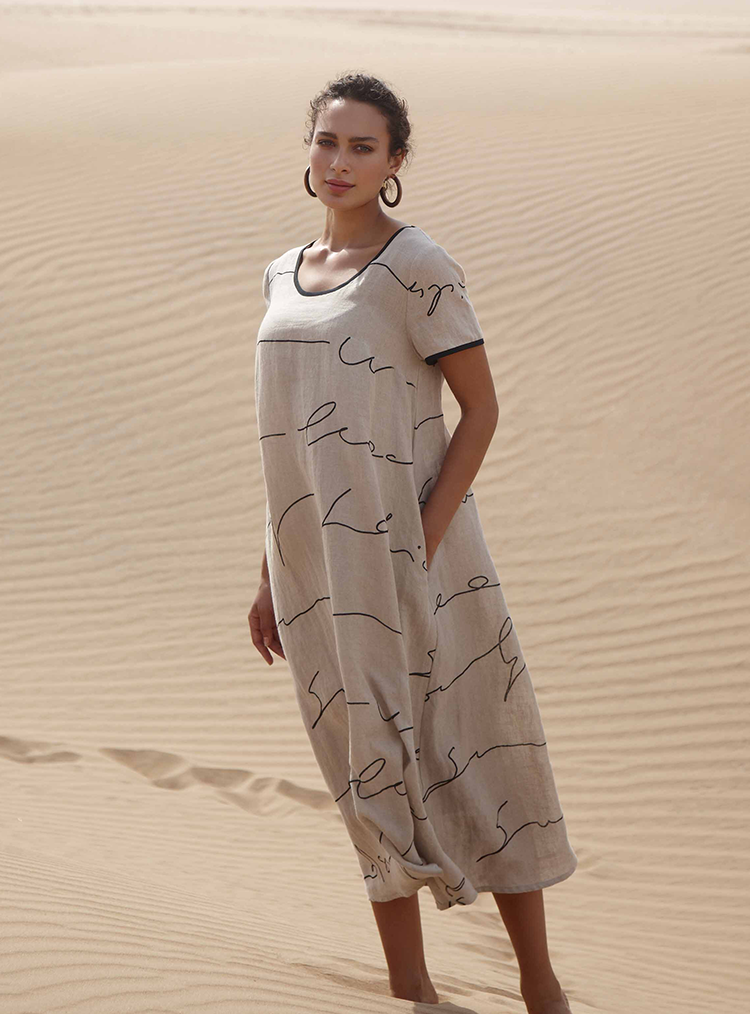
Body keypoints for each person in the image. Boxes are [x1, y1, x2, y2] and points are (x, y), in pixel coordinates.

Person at [248, 71, 576, 1013]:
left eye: (362, 147)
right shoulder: (279, 273)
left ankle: (540, 985)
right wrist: (269, 568)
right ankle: (411, 992)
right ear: (307, 150)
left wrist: (423, 540)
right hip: (316, 568)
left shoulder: (416, 265)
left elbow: (481, 411)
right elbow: (284, 439)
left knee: (481, 745)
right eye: (325, 142)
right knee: (363, 763)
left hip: (420, 557)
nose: (339, 162)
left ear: (395, 163)